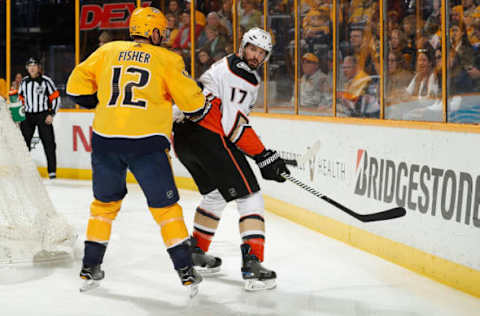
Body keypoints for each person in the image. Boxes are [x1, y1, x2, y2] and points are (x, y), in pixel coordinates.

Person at [66, 6, 209, 293]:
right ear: (154, 31)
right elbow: (195, 105)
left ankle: (89, 267)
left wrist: (98, 99)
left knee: (103, 206)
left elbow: (76, 87)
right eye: (162, 31)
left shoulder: (108, 50)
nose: (164, 35)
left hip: (106, 140)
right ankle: (185, 271)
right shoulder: (167, 59)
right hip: (146, 144)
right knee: (166, 209)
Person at [172, 27, 290, 291]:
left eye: (261, 53)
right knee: (250, 196)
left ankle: (195, 252)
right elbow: (233, 126)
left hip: (184, 137)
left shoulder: (222, 65)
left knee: (215, 194)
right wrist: (263, 155)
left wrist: (262, 156)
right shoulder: (243, 77)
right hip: (208, 136)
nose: (255, 56)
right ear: (242, 46)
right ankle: (253, 265)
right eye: (252, 49)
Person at [18, 57, 60, 179]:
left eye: (34, 65)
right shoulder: (24, 82)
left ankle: (52, 172)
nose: (32, 68)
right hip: (28, 116)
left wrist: (51, 114)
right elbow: (20, 100)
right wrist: (19, 116)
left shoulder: (46, 81)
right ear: (27, 68)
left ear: (38, 67)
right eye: (29, 66)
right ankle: (23, 171)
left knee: (49, 144)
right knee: (23, 145)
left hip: (43, 115)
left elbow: (56, 98)